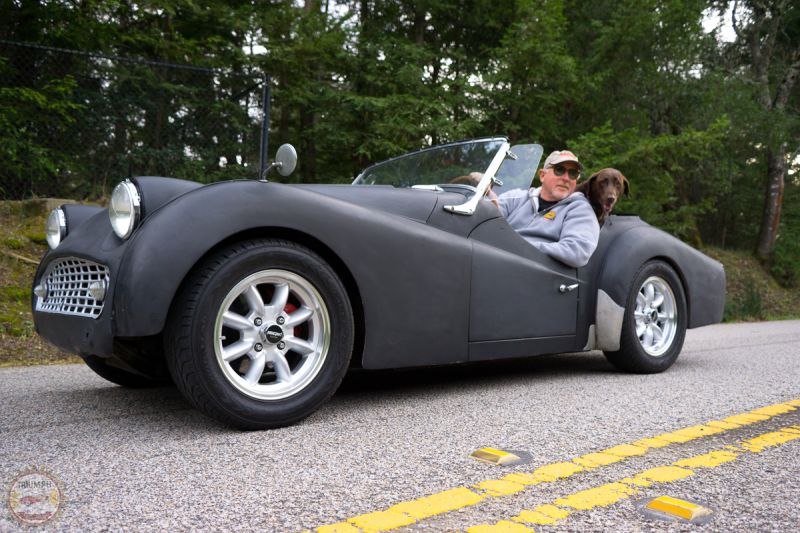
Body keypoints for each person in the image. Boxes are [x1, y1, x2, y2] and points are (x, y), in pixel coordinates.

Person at [496, 150, 599, 268]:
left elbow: (577, 251)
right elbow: (485, 218)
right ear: (542, 175)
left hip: (535, 271)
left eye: (573, 173)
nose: (566, 178)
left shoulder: (580, 210)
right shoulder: (515, 197)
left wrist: (519, 246)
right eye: (559, 170)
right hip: (496, 259)